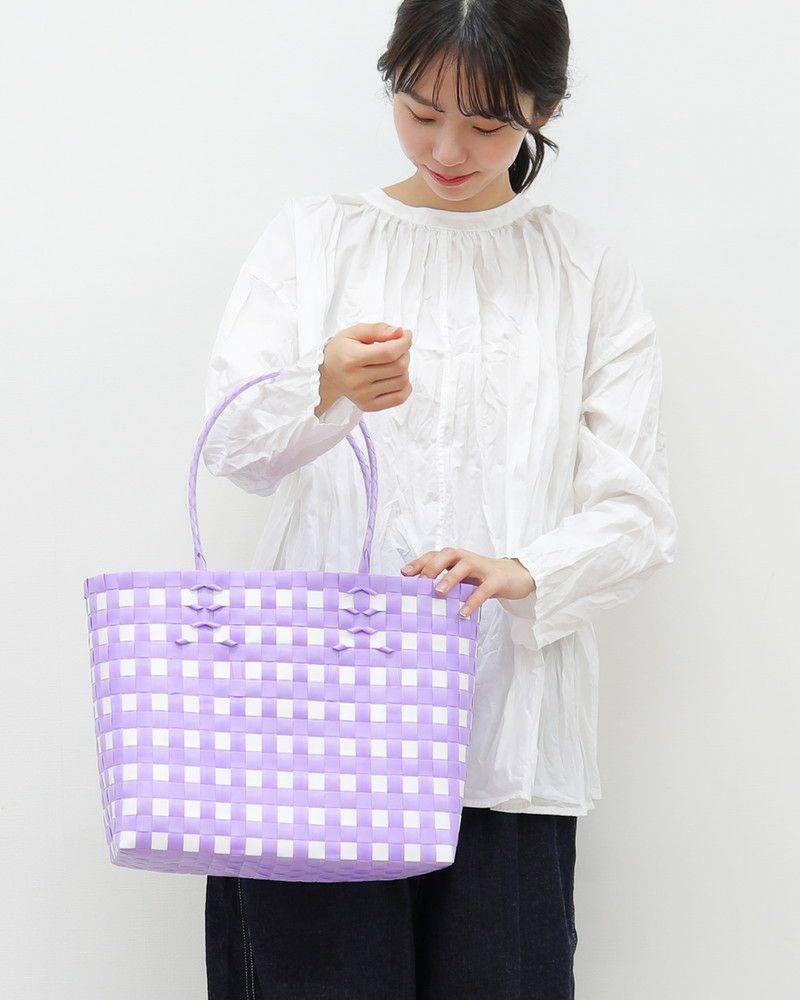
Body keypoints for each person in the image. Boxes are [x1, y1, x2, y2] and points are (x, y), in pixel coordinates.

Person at [201, 2, 678, 997]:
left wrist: (524, 569)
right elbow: (233, 448)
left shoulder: (583, 269)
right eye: (420, 112)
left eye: (487, 122)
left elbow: (636, 510)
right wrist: (325, 385)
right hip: (311, 731)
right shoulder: (315, 238)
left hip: (505, 731)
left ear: (545, 109)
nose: (447, 149)